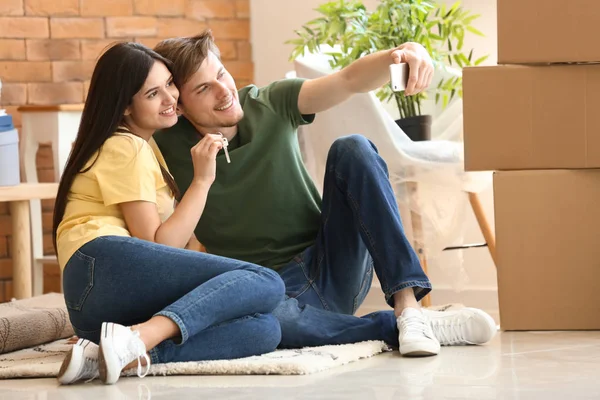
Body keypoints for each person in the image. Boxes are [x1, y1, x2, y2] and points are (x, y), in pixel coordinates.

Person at [152, 30, 497, 357]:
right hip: (269, 292)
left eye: (222, 74)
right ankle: (394, 328)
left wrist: (403, 53)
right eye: (203, 89)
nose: (223, 90)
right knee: (260, 329)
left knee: (353, 148)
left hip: (333, 262)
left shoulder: (269, 103)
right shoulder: (164, 145)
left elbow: (347, 81)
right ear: (178, 105)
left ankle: (408, 308)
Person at [53, 42, 285, 386]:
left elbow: (165, 251)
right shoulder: (125, 146)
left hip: (94, 308)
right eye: (152, 94)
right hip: (102, 264)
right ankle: (145, 335)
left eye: (170, 85)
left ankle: (112, 354)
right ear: (125, 108)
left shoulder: (144, 146)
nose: (170, 99)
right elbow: (155, 243)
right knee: (266, 282)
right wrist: (203, 179)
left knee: (264, 330)